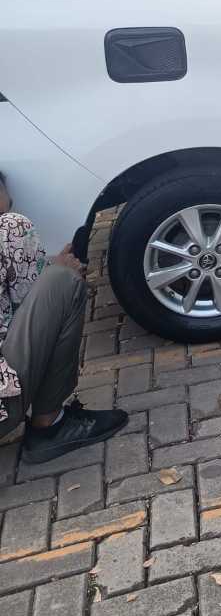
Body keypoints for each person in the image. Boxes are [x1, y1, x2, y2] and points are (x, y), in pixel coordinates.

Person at [0, 172, 127, 463]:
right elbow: (33, 304)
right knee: (63, 282)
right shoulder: (10, 227)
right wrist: (53, 271)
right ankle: (50, 426)